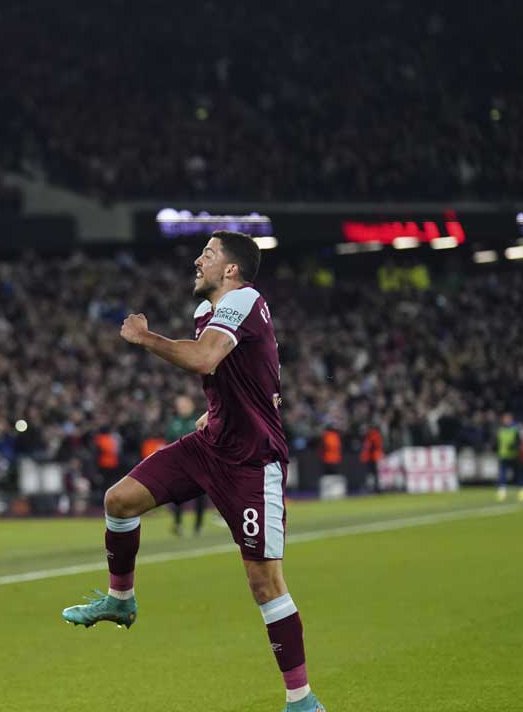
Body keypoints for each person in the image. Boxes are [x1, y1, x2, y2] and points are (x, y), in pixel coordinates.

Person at [60, 232, 326, 712]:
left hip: (251, 461)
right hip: (211, 445)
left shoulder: (244, 297)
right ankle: (121, 600)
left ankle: (302, 700)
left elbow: (205, 358)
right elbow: (241, 372)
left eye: (208, 254)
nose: (197, 260)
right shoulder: (210, 313)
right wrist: (216, 411)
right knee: (119, 501)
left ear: (230, 269)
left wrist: (144, 338)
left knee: (264, 582)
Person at [165, 394, 206, 536]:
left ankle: (198, 525)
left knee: (201, 497)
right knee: (177, 496)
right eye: (180, 405)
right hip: (180, 466)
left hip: (199, 465)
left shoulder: (198, 420)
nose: (182, 407)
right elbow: (168, 444)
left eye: (184, 404)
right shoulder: (173, 423)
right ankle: (177, 524)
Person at [495, 413, 523, 501]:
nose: (506, 420)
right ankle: (502, 492)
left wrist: (515, 446)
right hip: (503, 455)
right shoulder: (500, 429)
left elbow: (522, 440)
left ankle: (522, 490)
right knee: (502, 474)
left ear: (511, 419)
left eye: (507, 418)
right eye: (505, 419)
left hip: (515, 455)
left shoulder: (516, 428)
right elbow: (498, 441)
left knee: (519, 474)